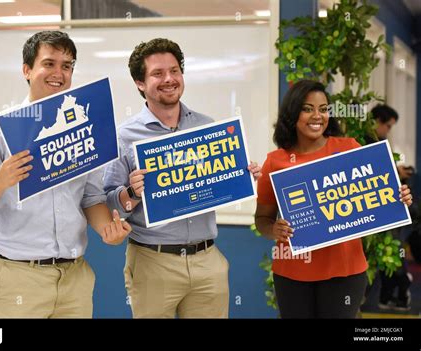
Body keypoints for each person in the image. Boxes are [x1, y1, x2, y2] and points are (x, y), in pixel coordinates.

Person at [0, 31, 131, 318]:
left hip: (75, 278)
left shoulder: (84, 128)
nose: (59, 73)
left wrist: (107, 231)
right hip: (20, 278)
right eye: (49, 64)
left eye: (67, 66)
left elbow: (91, 197)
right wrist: (0, 180)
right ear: (27, 70)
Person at [103, 38, 261, 318]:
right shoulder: (123, 136)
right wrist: (132, 192)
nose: (169, 79)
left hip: (207, 261)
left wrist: (243, 175)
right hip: (153, 261)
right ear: (140, 83)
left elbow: (219, 180)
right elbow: (112, 206)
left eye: (174, 71)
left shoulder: (207, 127)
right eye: (157, 73)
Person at [254, 80, 413, 318]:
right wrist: (273, 229)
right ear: (292, 113)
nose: (317, 116)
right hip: (292, 274)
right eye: (307, 109)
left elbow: (378, 196)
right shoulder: (276, 161)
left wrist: (398, 197)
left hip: (345, 273)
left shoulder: (349, 148)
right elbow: (262, 219)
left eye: (323, 109)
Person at [367, 104, 414, 311]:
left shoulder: (379, 141)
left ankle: (388, 295)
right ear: (376, 121)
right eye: (387, 125)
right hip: (378, 210)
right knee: (390, 250)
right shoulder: (366, 142)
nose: (388, 130)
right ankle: (399, 287)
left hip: (385, 208)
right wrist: (396, 174)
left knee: (390, 250)